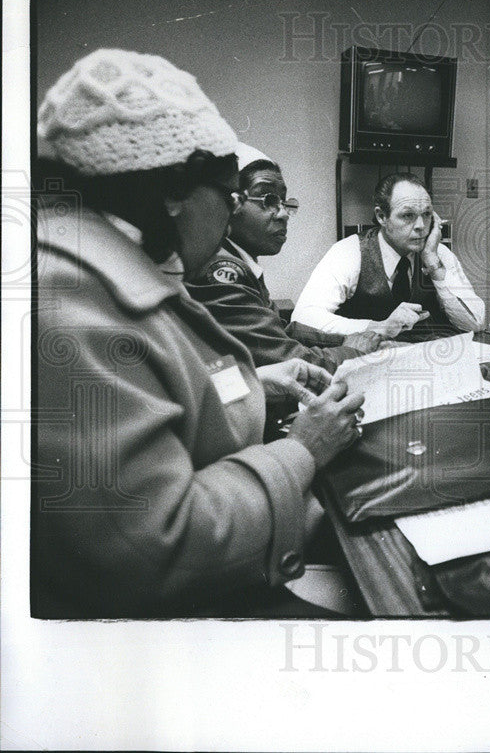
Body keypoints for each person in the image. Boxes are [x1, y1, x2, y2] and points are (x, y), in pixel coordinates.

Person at [33, 49, 365, 618]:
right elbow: (156, 547)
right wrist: (302, 449)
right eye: (229, 193)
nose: (233, 209)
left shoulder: (103, 271)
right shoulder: (69, 312)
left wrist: (260, 382)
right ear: (175, 191)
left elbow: (151, 397)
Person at [185, 148, 382, 374]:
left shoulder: (239, 262)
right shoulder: (222, 270)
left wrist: (344, 340)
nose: (283, 213)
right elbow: (285, 361)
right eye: (268, 199)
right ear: (230, 203)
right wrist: (354, 351)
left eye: (283, 201)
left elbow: (281, 332)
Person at [292, 172, 486, 339]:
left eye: (426, 214)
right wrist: (377, 328)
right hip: (367, 360)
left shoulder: (436, 253)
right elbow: (303, 318)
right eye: (408, 215)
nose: (420, 226)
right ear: (382, 217)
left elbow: (474, 323)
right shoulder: (349, 252)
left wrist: (434, 266)